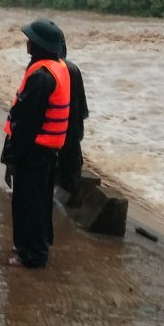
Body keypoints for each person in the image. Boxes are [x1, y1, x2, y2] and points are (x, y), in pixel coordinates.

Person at [0, 18, 70, 268]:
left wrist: (12, 156)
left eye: (31, 40)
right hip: (45, 151)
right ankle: (34, 247)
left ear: (39, 45)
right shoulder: (56, 67)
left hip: (34, 151)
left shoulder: (41, 77)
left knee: (28, 203)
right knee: (38, 202)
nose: (27, 43)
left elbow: (27, 124)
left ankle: (31, 255)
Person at [57, 37, 89, 204]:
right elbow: (82, 108)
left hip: (54, 130)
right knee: (71, 172)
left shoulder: (45, 68)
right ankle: (65, 204)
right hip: (71, 129)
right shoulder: (73, 69)